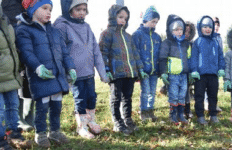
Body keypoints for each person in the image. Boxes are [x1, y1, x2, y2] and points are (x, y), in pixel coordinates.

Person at [16, 0, 76, 148]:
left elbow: (64, 52)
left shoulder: (54, 31)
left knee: (56, 106)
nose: (49, 12)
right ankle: (41, 133)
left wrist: (71, 68)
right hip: (40, 76)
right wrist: (37, 67)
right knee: (42, 107)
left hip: (57, 75)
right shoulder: (24, 30)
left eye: (50, 9)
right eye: (44, 8)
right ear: (32, 10)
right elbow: (26, 52)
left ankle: (55, 131)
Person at [54, 0, 109, 140]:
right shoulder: (62, 26)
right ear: (70, 9)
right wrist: (65, 71)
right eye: (78, 9)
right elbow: (60, 50)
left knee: (92, 97)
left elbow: (95, 50)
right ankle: (82, 126)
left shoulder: (87, 27)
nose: (82, 12)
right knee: (80, 99)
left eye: (84, 9)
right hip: (75, 73)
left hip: (89, 72)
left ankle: (91, 120)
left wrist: (102, 73)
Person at [99, 4, 143, 135]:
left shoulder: (128, 36)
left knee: (127, 97)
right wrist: (106, 69)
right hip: (115, 73)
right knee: (116, 97)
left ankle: (127, 119)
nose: (123, 20)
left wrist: (139, 69)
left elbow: (135, 54)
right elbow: (103, 53)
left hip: (129, 73)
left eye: (125, 18)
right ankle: (117, 121)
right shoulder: (107, 34)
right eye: (120, 17)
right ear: (113, 17)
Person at [0, 3, 32, 150]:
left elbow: (12, 48)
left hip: (11, 75)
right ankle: (1, 141)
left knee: (12, 105)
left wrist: (17, 65)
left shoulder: (6, 23)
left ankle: (14, 133)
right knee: (0, 110)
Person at [190, 16, 225, 125]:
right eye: (205, 27)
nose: (208, 29)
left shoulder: (215, 42)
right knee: (199, 96)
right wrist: (194, 70)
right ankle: (200, 116)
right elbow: (194, 57)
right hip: (200, 75)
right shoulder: (197, 42)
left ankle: (213, 115)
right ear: (200, 27)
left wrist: (221, 68)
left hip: (213, 74)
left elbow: (220, 56)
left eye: (210, 27)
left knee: (213, 95)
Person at [159, 14, 190, 125]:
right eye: (176, 29)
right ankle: (173, 115)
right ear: (171, 30)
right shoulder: (167, 43)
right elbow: (162, 58)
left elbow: (189, 58)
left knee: (182, 95)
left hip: (184, 75)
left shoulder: (186, 44)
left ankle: (181, 115)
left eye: (181, 29)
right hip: (172, 75)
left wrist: (190, 72)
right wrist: (163, 73)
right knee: (173, 94)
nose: (179, 31)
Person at [133, 5, 161, 122]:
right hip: (144, 70)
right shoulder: (137, 35)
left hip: (154, 71)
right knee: (146, 91)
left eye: (156, 22)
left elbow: (159, 54)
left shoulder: (157, 37)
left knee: (153, 92)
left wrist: (159, 69)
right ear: (145, 20)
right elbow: (136, 53)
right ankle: (143, 111)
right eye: (152, 21)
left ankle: (150, 110)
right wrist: (139, 69)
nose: (154, 24)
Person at [184, 21, 196, 119]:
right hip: (178, 72)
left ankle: (187, 110)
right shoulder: (177, 44)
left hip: (188, 72)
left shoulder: (192, 45)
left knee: (187, 91)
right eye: (185, 31)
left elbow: (194, 58)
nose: (186, 33)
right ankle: (178, 110)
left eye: (189, 31)